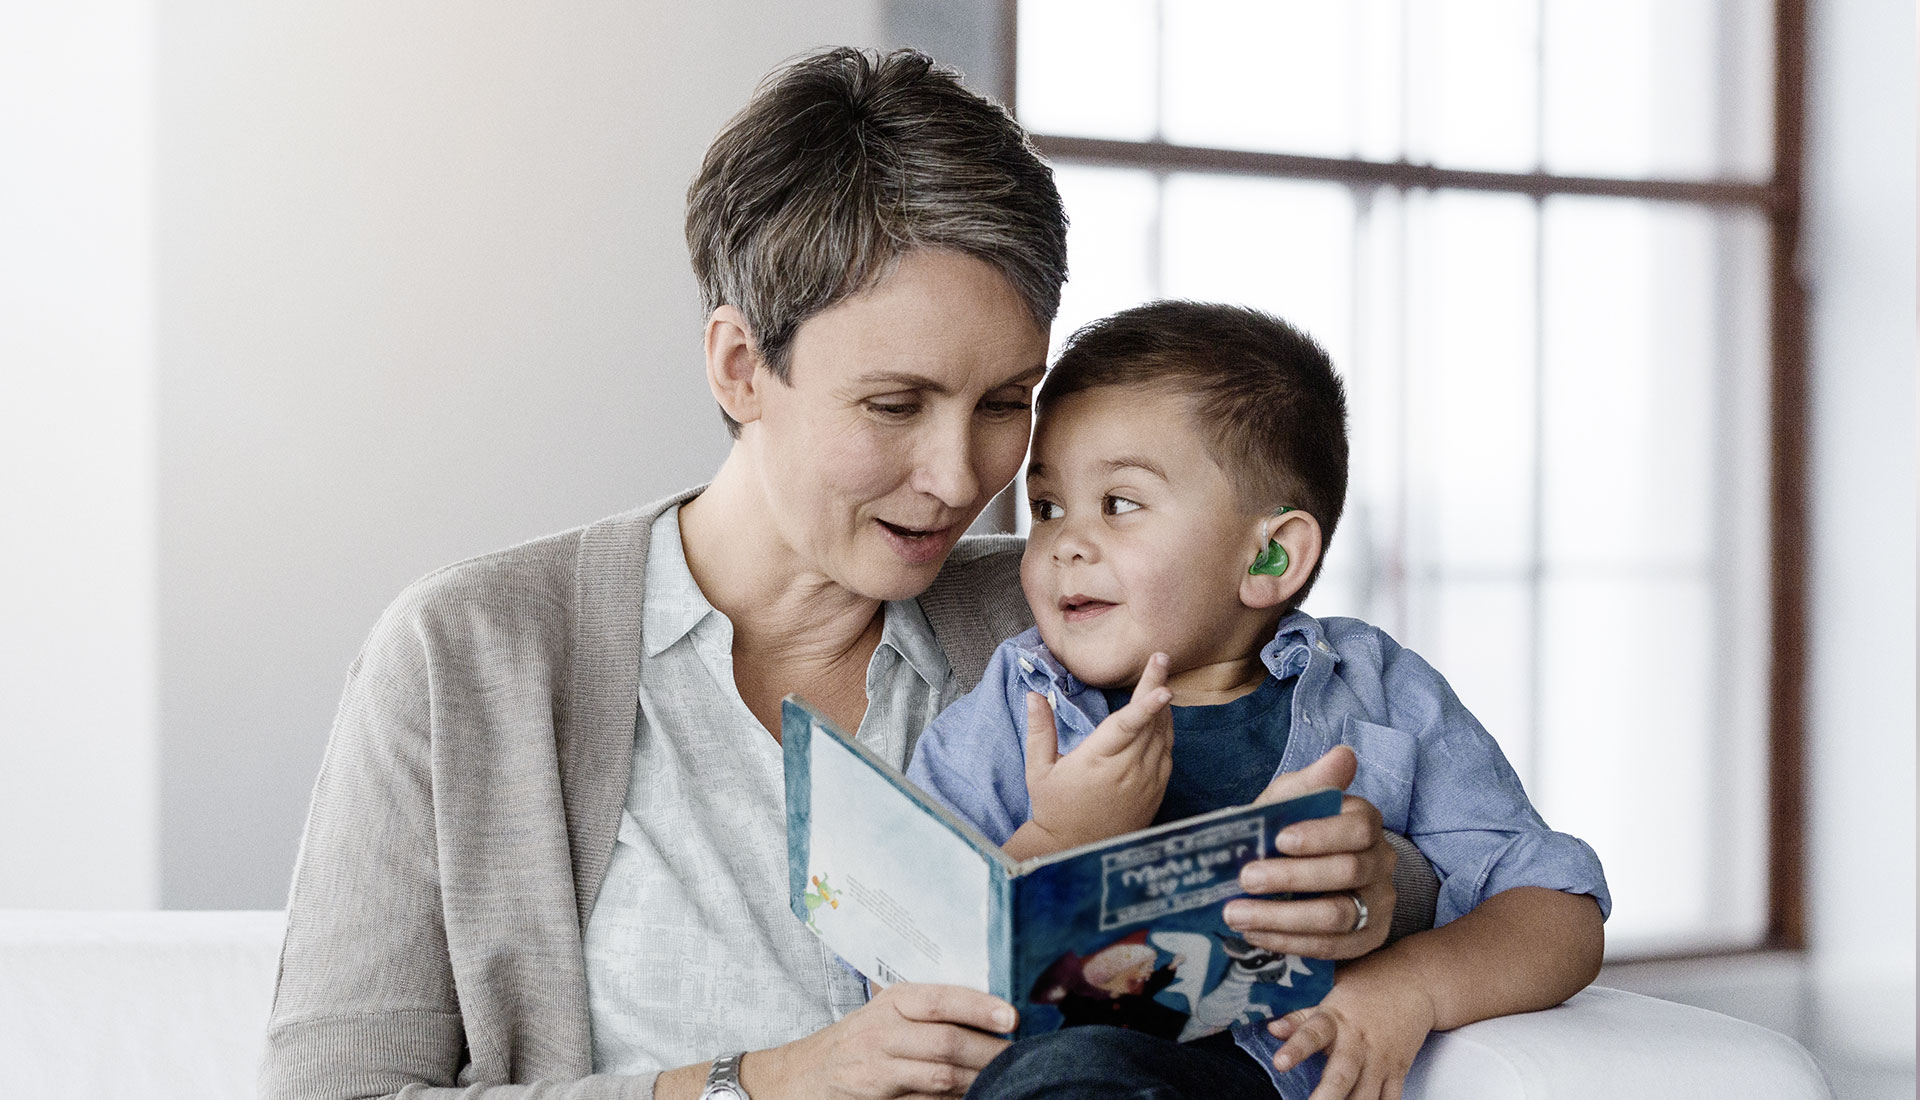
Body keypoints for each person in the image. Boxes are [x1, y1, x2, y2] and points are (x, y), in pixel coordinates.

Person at [260, 49, 1420, 1100]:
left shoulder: (1080, 618)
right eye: (894, 404)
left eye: (1005, 403)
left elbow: (1418, 825)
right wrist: (755, 1083)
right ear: (738, 364)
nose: (958, 472)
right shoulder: (469, 654)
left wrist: (1379, 889)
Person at [907, 301, 1612, 1100]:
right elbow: (911, 965)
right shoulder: (1019, 704)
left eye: (1121, 503)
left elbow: (1558, 907)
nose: (1065, 541)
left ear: (1272, 555)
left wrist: (1414, 984)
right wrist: (1058, 837)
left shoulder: (1374, 689)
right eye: (1047, 507)